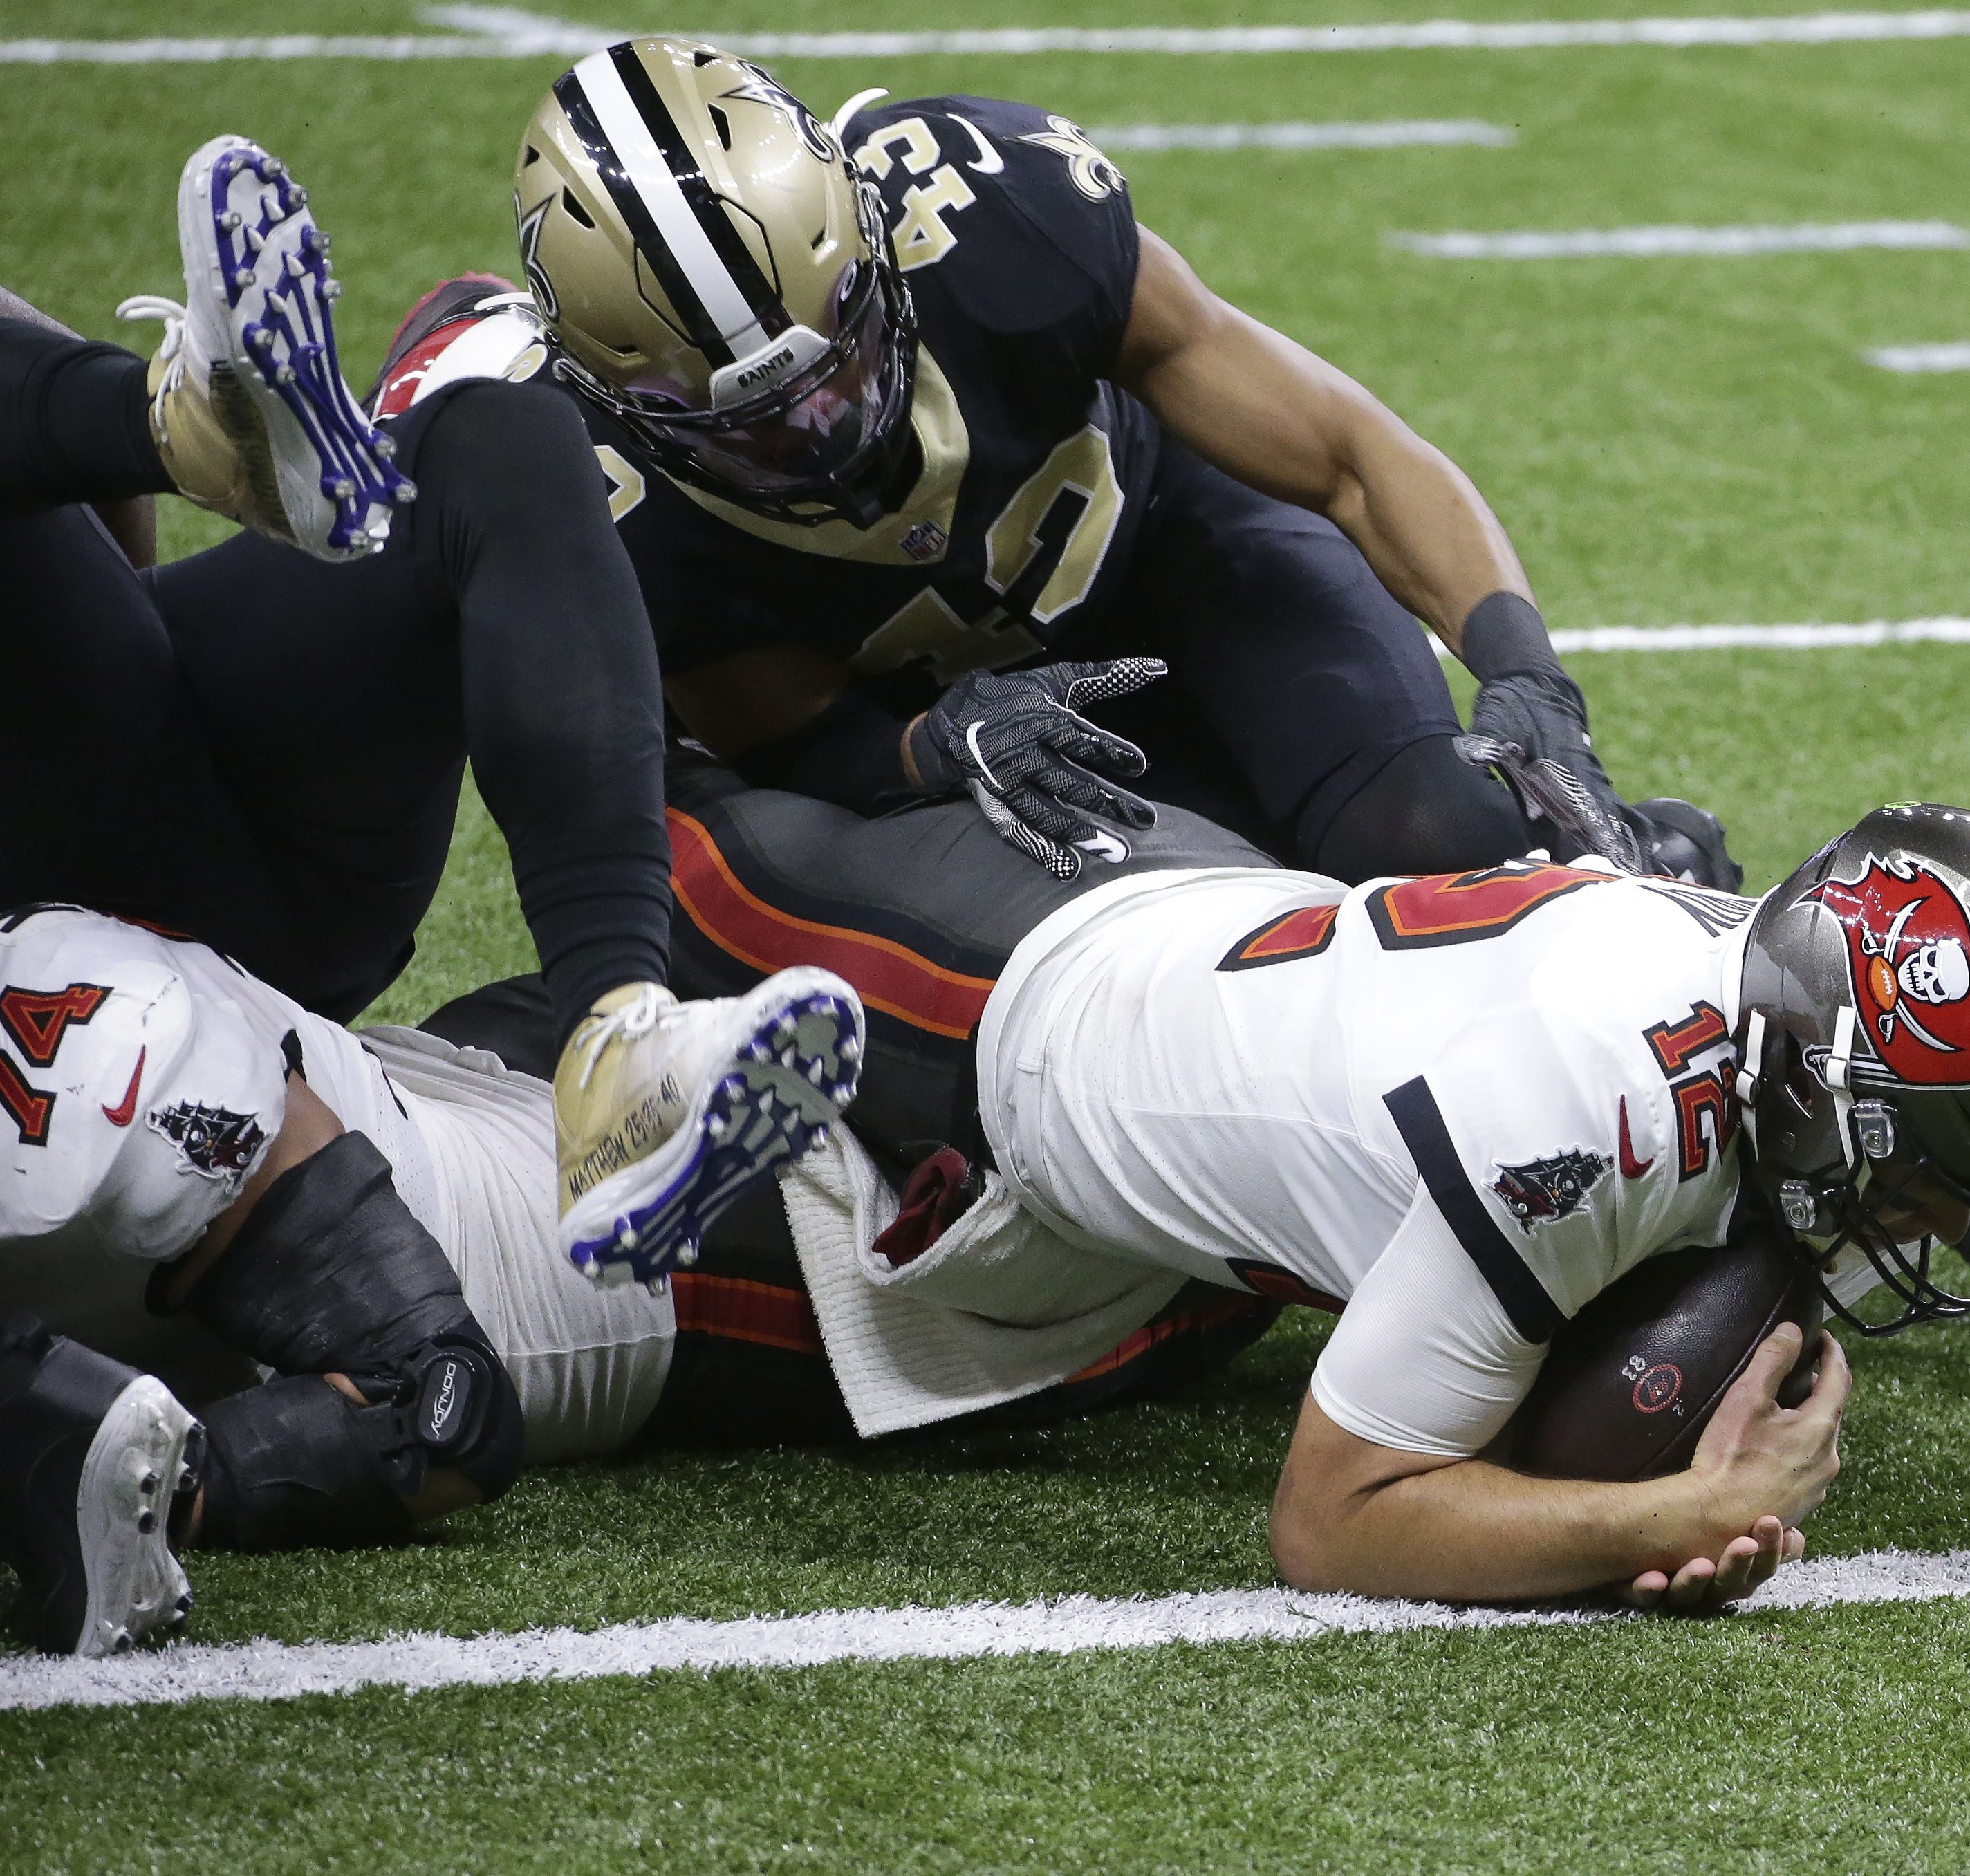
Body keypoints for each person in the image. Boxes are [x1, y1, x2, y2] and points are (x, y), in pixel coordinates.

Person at [419, 768, 1970, 1608]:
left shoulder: (1761, 978)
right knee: (656, 852)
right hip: (1004, 1012)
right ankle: (467, 425)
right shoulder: (1596, 1111)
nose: (1931, 1231)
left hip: (1204, 921)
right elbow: (1333, 1518)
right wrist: (1658, 1516)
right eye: (1920, 1183)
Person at [457, 36, 1731, 890]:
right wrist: (930, 749)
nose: (822, 430)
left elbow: (1349, 454)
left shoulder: (994, 211)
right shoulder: (617, 499)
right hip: (985, 731)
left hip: (1185, 554)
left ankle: (1632, 878)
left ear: (871, 244)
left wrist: (1521, 666)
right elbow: (798, 738)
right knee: (1219, 952)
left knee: (1442, 845)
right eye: (752, 423)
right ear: (621, 398)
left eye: (838, 355)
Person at [0, 135, 864, 1283]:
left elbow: (93, 503)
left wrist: (78, 638)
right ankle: (193, 431)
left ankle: (621, 1058)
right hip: (63, 919)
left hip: (167, 807)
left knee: (492, 437)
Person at [0, 904, 862, 1655]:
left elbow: (437, 1409)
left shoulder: (64, 1026)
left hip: (564, 1240)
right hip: (436, 1077)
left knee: (956, 1179)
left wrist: (156, 1476)